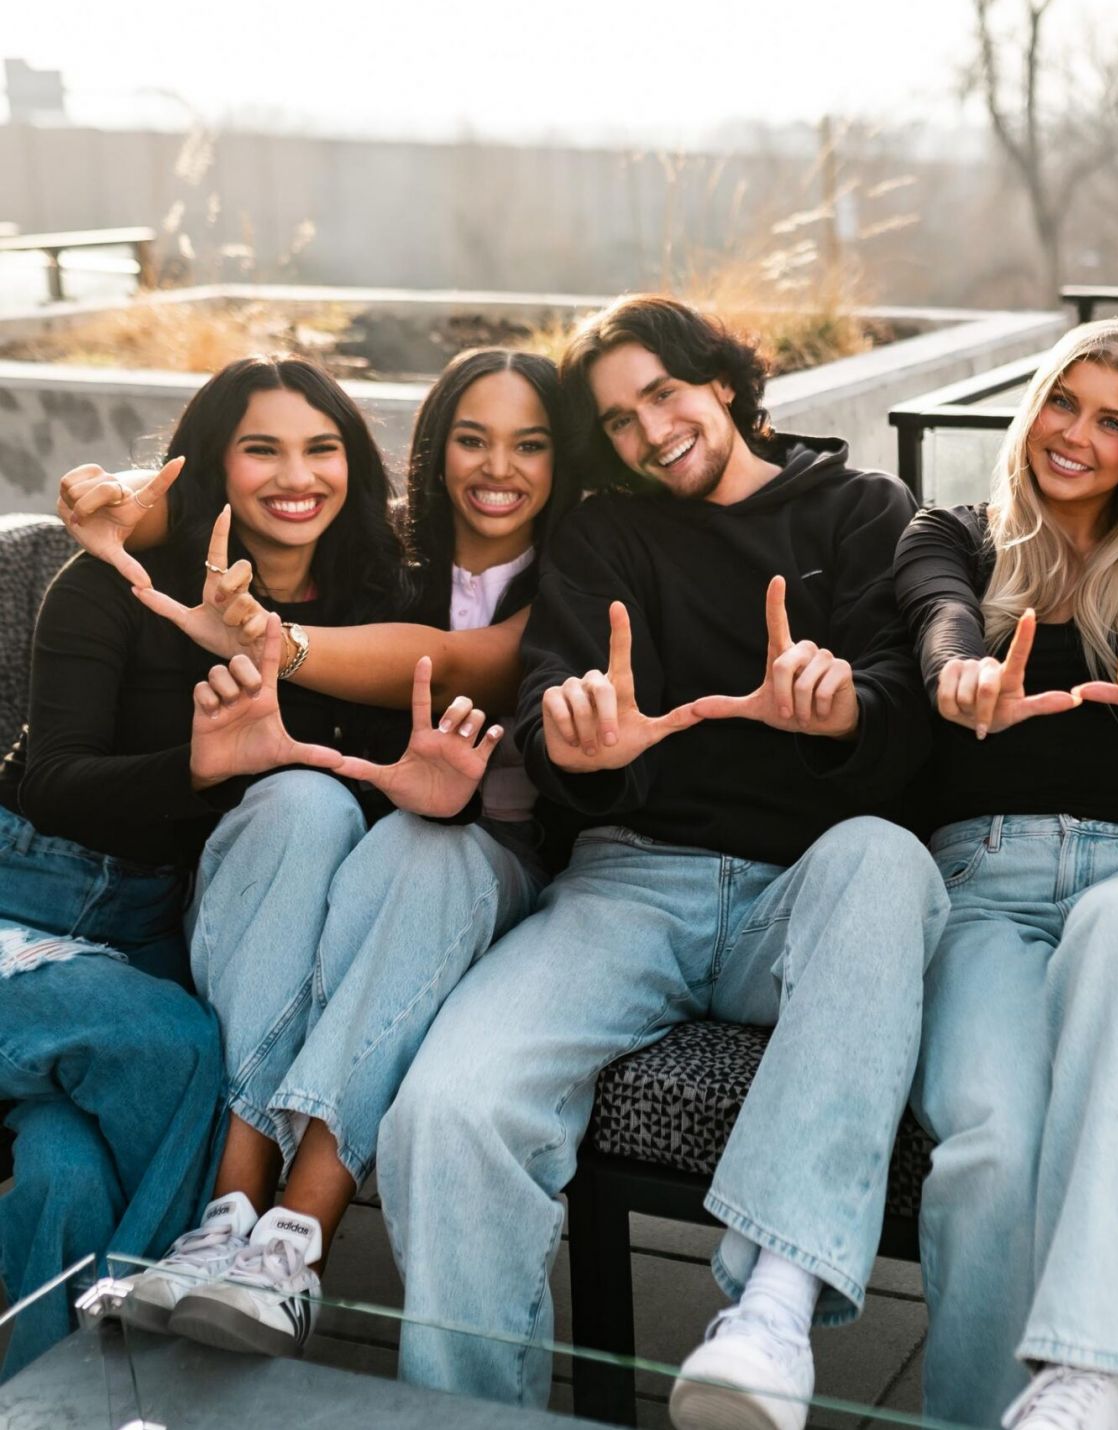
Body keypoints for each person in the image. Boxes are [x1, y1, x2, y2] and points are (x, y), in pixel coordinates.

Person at [376, 295, 948, 1430]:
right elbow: (548, 704)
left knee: (886, 860)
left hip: (809, 888)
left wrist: (843, 712)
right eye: (619, 421)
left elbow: (911, 709)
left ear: (721, 383)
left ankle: (768, 1316)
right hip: (629, 881)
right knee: (445, 1108)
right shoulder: (602, 534)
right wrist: (582, 744)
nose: (649, 432)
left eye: (663, 395)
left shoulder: (857, 507)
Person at [79, 350, 580, 1357]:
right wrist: (120, 504)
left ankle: (296, 1239)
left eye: (531, 443)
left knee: (427, 853)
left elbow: (478, 661)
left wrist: (268, 638)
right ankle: (228, 1224)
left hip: (501, 858)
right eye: (473, 438)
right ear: (433, 451)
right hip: (372, 832)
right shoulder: (387, 557)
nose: (499, 467)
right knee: (317, 809)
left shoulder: (583, 560)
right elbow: (203, 507)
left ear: (562, 459)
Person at [0, 352, 409, 1379]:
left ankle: (67, 1396)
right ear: (212, 465)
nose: (295, 474)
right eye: (260, 448)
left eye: (321, 447)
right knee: (179, 1049)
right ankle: (150, 1332)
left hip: (152, 931)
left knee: (61, 1172)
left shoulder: (365, 606)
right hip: (26, 886)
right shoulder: (114, 582)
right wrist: (194, 765)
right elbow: (43, 774)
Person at [894, 320, 1118, 1430]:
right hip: (983, 880)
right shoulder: (949, 532)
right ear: (1030, 404)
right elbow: (937, 616)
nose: (1077, 437)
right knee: (990, 1143)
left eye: (1112, 421)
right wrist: (958, 672)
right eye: (1064, 403)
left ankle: (1085, 1370)